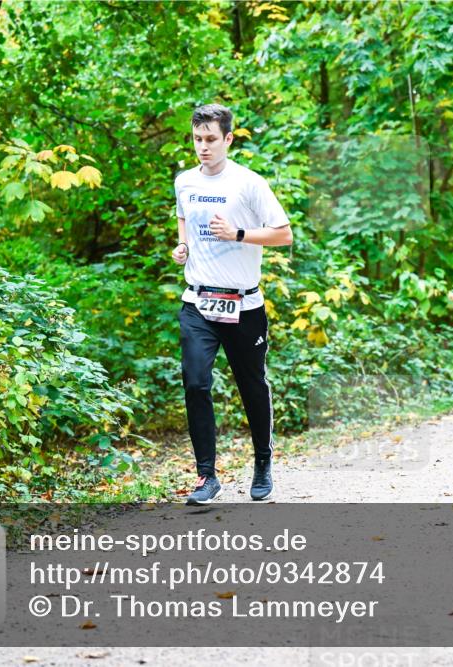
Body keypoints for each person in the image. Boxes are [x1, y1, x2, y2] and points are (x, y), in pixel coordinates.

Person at [172, 104, 294, 504]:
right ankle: (207, 476)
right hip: (198, 302)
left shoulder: (249, 183)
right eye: (197, 139)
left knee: (251, 386)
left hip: (243, 306)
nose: (203, 147)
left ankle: (262, 462)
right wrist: (183, 245)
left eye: (210, 139)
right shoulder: (185, 181)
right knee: (195, 382)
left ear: (228, 139)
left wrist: (239, 234)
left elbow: (283, 235)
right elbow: (185, 218)